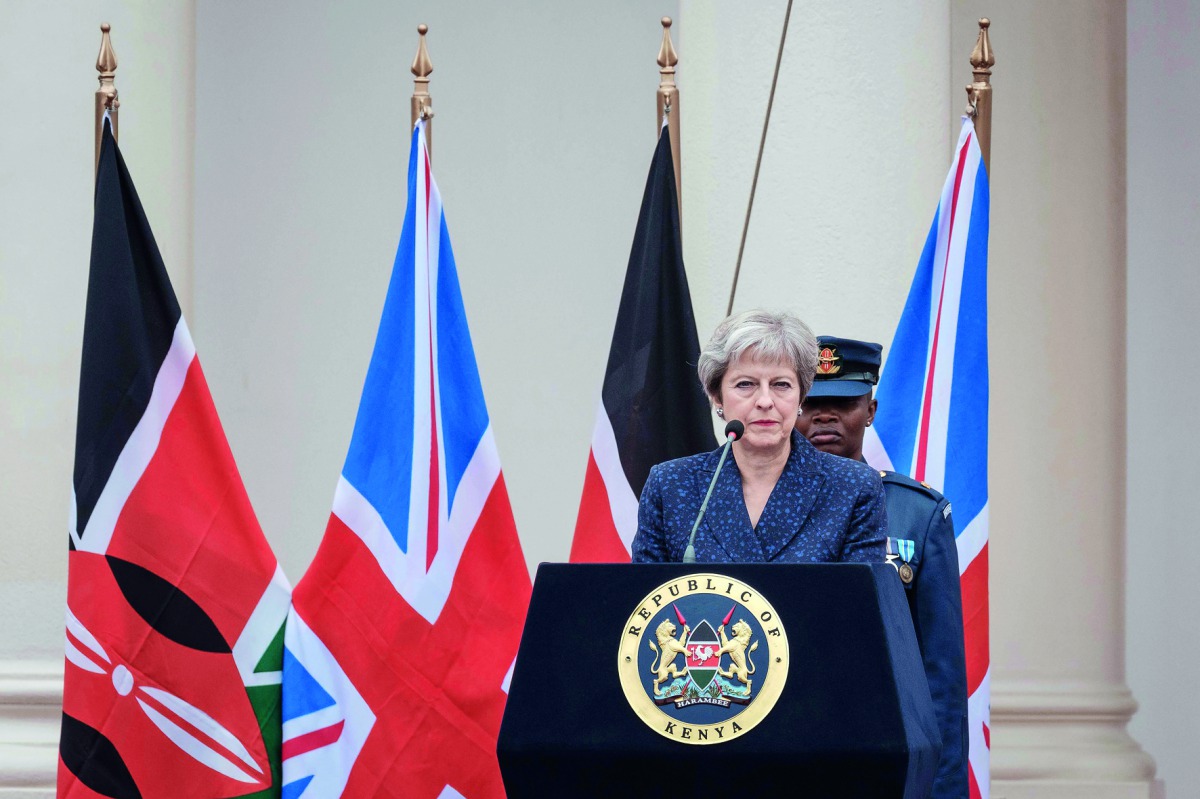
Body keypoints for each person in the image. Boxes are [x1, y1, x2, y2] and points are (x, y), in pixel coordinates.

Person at [796, 335, 968, 799]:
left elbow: (942, 673)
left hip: (881, 749)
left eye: (845, 402)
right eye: (810, 402)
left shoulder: (917, 512)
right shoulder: (751, 508)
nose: (825, 416)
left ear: (870, 409)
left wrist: (944, 789)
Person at [631, 310, 887, 564]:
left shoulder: (854, 487)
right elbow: (646, 599)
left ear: (801, 397)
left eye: (781, 385)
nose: (765, 401)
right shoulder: (671, 485)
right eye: (745, 384)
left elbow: (858, 601)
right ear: (717, 397)